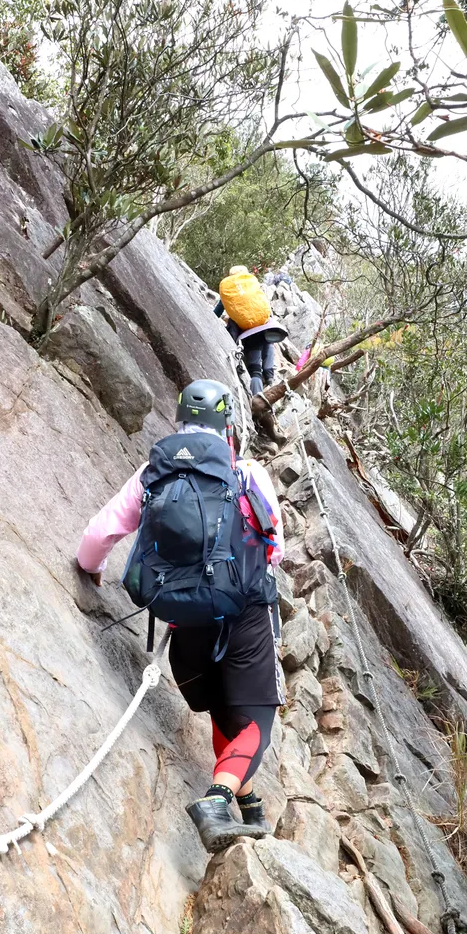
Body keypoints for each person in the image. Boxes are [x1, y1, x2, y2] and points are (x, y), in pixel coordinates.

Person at [76, 379, 285, 854]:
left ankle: (247, 803)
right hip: (244, 617)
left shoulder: (157, 469)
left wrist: (92, 571)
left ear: (180, 420)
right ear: (228, 426)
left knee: (220, 708)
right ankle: (215, 803)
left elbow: (99, 535)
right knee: (257, 723)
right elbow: (275, 549)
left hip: (183, 625)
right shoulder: (246, 472)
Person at [214, 266, 287, 397]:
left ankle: (256, 396)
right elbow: (265, 306)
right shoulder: (251, 284)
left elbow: (217, 312)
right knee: (268, 343)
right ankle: (269, 377)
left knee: (254, 369)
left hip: (248, 334)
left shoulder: (230, 290)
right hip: (264, 328)